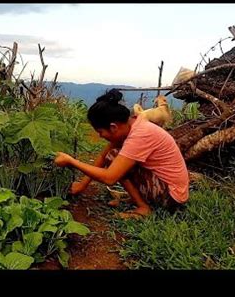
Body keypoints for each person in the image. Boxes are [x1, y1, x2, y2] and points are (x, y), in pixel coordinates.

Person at [54, 89, 189, 219]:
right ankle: (138, 198)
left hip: (172, 196)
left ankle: (143, 208)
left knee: (114, 158)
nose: (100, 136)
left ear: (113, 127)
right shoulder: (133, 125)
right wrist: (82, 185)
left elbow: (110, 178)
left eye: (100, 132)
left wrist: (71, 161)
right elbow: (103, 155)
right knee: (113, 155)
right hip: (164, 185)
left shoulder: (140, 135)